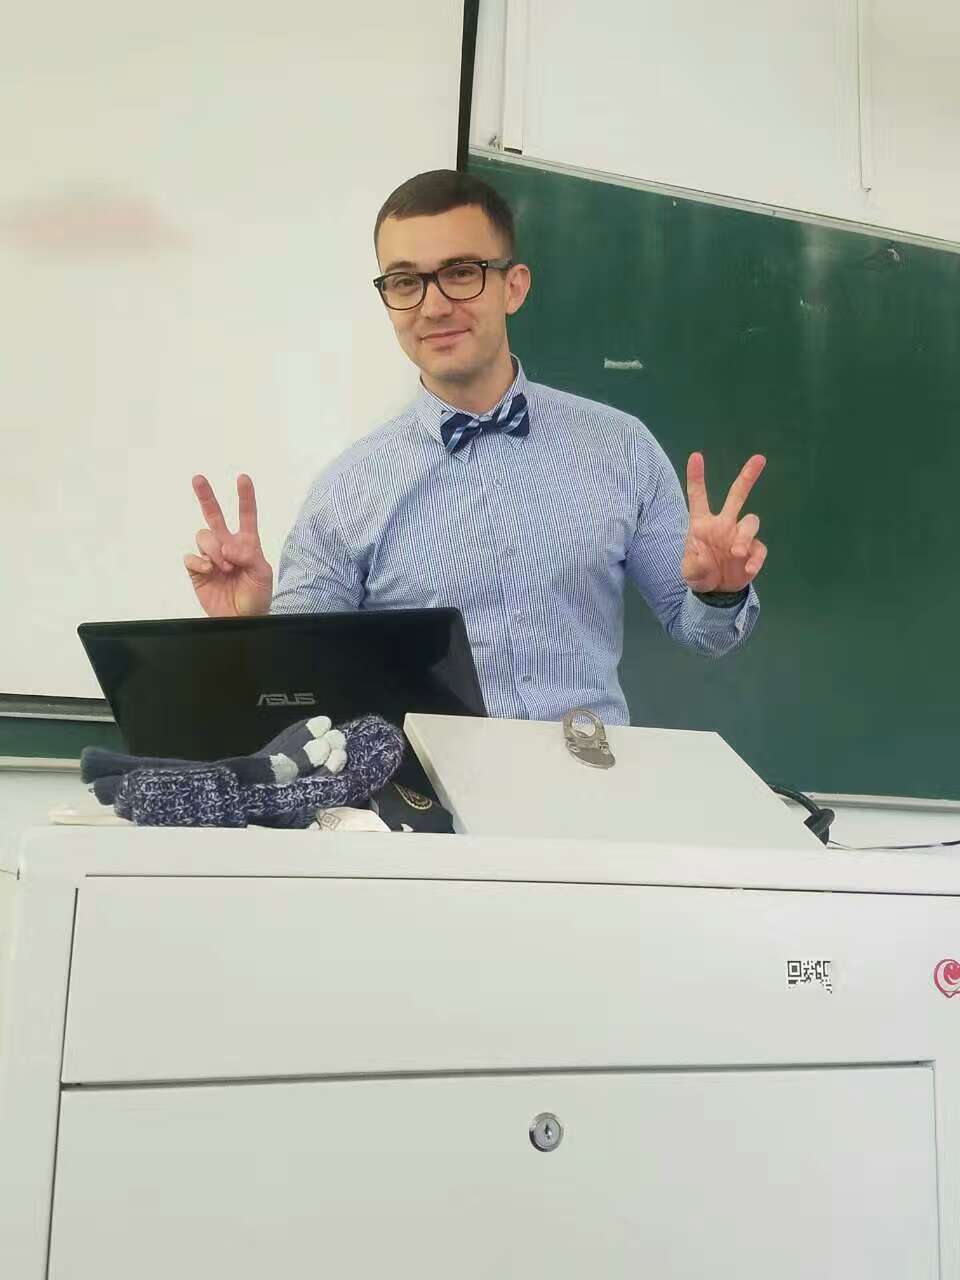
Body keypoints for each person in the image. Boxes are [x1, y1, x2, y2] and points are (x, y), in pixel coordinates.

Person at [184, 170, 767, 724]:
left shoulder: (622, 448)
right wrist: (249, 629)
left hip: (588, 776)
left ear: (514, 287)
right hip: (425, 787)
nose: (434, 306)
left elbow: (700, 632)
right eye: (405, 282)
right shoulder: (347, 490)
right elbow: (300, 674)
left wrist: (720, 594)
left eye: (461, 272)